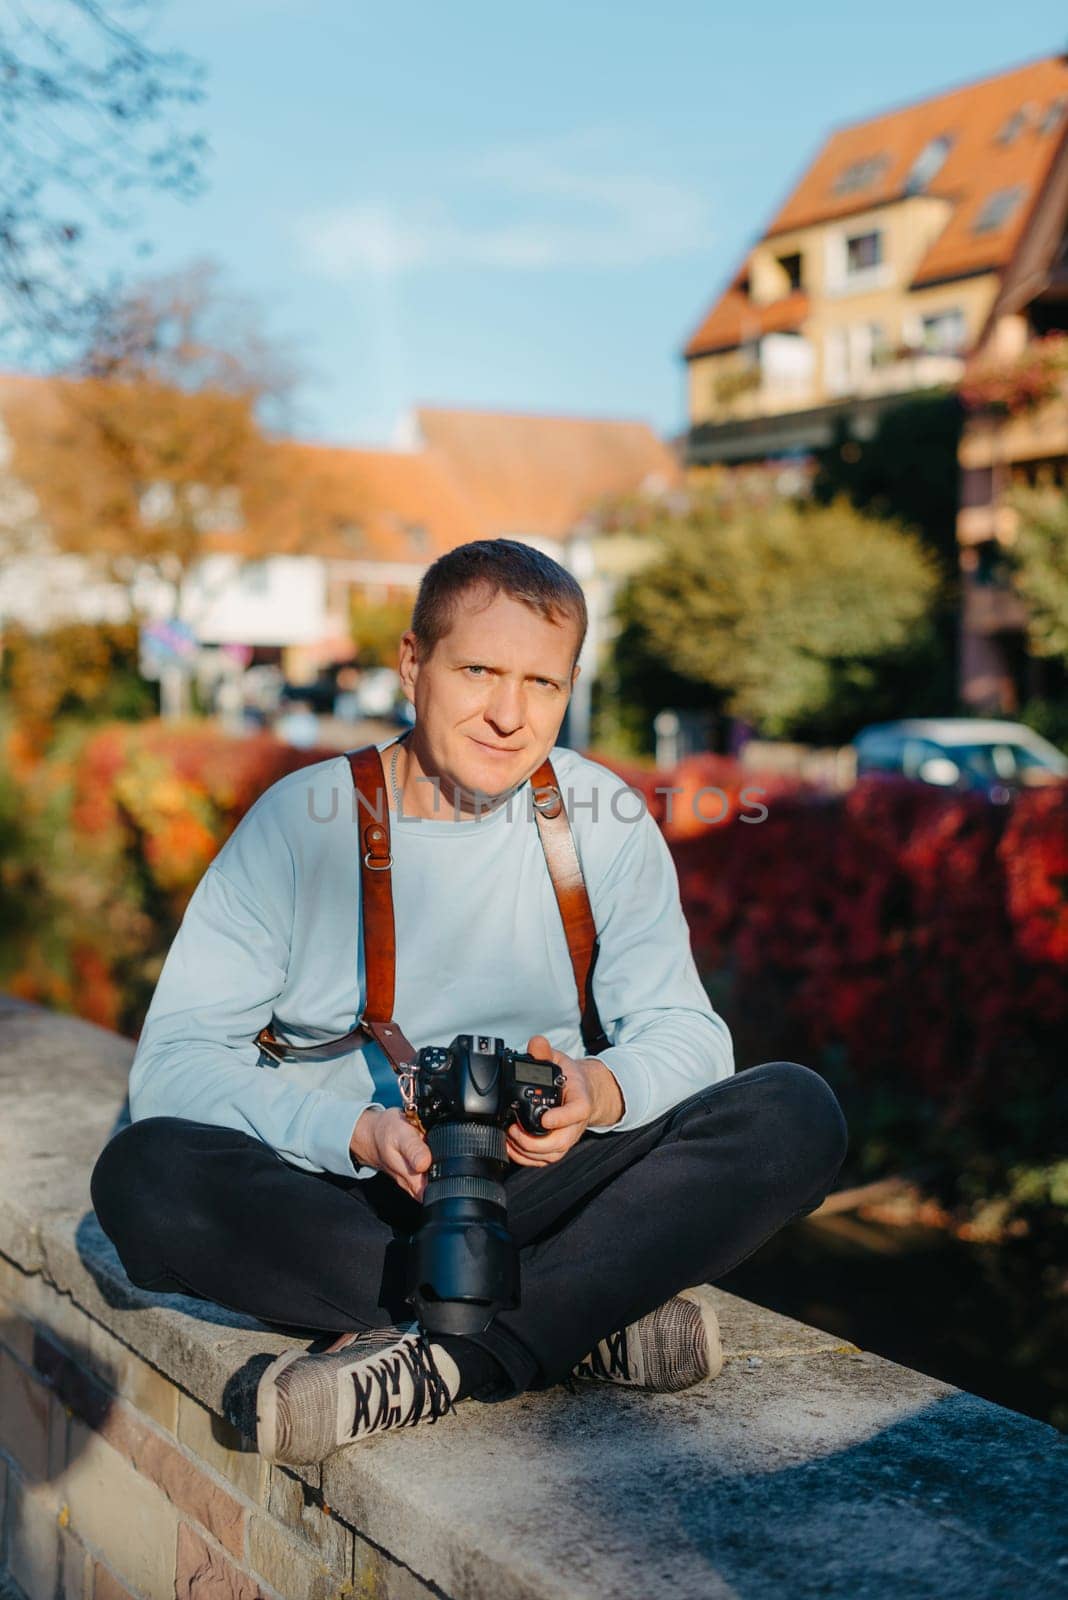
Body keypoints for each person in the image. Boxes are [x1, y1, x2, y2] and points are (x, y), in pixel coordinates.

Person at [90, 538, 848, 1468]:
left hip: (537, 1180)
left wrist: (596, 1091)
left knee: (792, 1114)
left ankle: (443, 1362)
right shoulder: (299, 824)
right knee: (144, 1177)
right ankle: (578, 1311)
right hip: (355, 1196)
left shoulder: (599, 821)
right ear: (414, 663)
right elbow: (172, 1067)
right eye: (479, 671)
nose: (508, 715)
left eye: (543, 684)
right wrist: (359, 1134)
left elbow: (687, 1033)